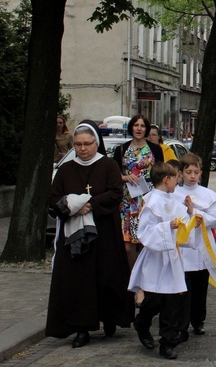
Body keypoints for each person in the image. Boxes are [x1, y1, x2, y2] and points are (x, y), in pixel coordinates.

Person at [46, 120, 134, 347]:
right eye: (78, 144)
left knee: (106, 277)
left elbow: (115, 193)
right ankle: (81, 328)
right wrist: (72, 205)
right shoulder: (66, 169)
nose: (82, 148)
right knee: (79, 282)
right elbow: (54, 198)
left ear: (96, 143)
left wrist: (90, 204)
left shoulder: (108, 166)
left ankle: (110, 318)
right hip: (76, 235)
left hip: (104, 232)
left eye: (87, 144)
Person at [128, 161, 201, 360]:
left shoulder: (173, 199)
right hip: (156, 257)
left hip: (173, 257)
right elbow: (144, 231)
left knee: (173, 300)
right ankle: (142, 322)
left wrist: (189, 213)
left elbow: (183, 225)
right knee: (155, 300)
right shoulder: (151, 202)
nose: (178, 182)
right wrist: (167, 227)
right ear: (166, 180)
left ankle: (167, 342)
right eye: (176, 178)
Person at [172, 153, 216, 340]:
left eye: (195, 172)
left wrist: (194, 211)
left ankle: (198, 320)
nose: (192, 176)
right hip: (184, 247)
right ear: (181, 173)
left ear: (201, 173)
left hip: (202, 245)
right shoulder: (174, 194)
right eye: (188, 172)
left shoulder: (207, 195)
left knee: (201, 286)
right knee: (184, 287)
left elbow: (212, 218)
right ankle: (181, 324)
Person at [113, 114, 165, 272]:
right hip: (127, 203)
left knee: (146, 244)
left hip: (148, 200)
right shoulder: (121, 149)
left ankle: (146, 280)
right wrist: (124, 177)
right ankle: (133, 278)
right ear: (131, 128)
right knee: (128, 247)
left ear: (146, 129)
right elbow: (113, 174)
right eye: (136, 125)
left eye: (142, 126)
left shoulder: (155, 149)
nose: (139, 129)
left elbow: (162, 174)